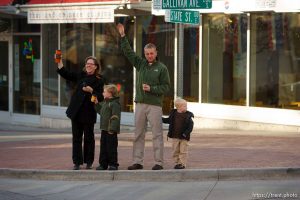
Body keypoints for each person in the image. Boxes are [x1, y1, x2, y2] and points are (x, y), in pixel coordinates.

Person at [117, 23, 171, 170]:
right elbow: (129, 52)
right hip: (140, 104)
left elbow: (166, 87)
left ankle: (159, 162)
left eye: (151, 53)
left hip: (154, 105)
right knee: (138, 134)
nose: (149, 56)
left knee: (157, 135)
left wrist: (152, 88)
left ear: (156, 52)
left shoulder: (162, 68)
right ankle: (137, 161)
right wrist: (123, 36)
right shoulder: (140, 64)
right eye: (147, 53)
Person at [57, 56, 105, 170]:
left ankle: (89, 161)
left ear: (96, 67)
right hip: (76, 111)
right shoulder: (81, 75)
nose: (88, 65)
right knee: (76, 138)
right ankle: (77, 162)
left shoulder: (99, 79)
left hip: (88, 112)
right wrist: (59, 62)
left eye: (91, 64)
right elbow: (66, 74)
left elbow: (101, 97)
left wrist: (91, 91)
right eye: (87, 63)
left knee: (89, 138)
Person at [94, 84, 121, 171]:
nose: (103, 93)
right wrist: (97, 104)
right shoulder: (105, 103)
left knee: (111, 147)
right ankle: (103, 164)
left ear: (110, 93)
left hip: (111, 130)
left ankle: (113, 164)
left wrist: (112, 129)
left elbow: (115, 117)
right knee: (103, 147)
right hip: (104, 129)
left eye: (104, 92)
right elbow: (101, 112)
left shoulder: (114, 104)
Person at [162, 98, 194, 169]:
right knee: (175, 151)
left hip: (184, 137)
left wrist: (185, 134)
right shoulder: (174, 114)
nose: (186, 107)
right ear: (178, 107)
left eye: (186, 106)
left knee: (183, 151)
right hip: (175, 136)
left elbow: (190, 127)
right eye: (184, 106)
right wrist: (161, 119)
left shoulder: (188, 116)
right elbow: (168, 120)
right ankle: (177, 163)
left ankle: (182, 164)